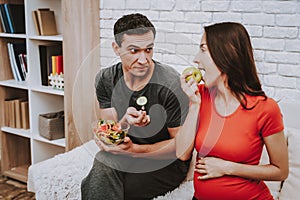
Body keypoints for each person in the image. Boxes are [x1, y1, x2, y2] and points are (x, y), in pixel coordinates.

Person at [81, 13, 191, 200]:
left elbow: (182, 150)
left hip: (164, 162)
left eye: (148, 50)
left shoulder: (171, 84)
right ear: (116, 48)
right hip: (126, 154)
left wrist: (135, 151)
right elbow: (111, 133)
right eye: (134, 51)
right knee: (102, 163)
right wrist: (124, 123)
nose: (143, 59)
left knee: (118, 189)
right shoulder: (106, 79)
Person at [176, 22, 289, 200]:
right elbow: (182, 154)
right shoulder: (201, 96)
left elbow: (280, 171)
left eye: (203, 49)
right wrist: (195, 105)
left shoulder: (265, 108)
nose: (196, 59)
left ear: (226, 54)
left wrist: (227, 167)